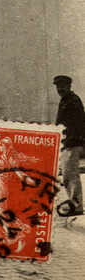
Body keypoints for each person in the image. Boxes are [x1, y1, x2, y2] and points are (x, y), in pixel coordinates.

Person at [54, 74, 85, 216]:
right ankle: (75, 203)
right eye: (58, 86)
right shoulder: (66, 100)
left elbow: (78, 123)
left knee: (70, 174)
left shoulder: (73, 101)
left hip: (72, 142)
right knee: (68, 173)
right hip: (68, 142)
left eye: (62, 86)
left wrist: (71, 140)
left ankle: (76, 205)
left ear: (69, 86)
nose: (60, 89)